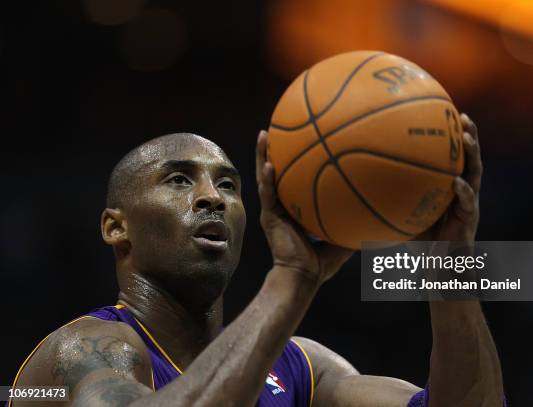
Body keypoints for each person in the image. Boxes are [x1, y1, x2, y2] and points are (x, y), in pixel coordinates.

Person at [9, 114, 504, 407]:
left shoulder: (300, 366)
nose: (212, 198)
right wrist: (292, 279)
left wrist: (450, 264)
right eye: (179, 180)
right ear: (115, 227)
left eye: (228, 184)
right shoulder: (85, 350)